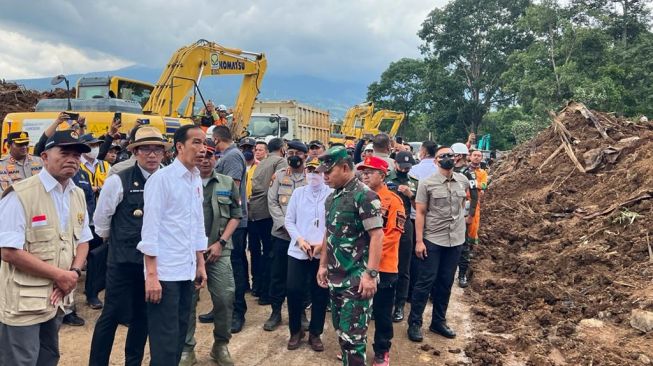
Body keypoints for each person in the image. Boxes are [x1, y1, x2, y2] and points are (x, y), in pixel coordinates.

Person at [0, 130, 92, 366]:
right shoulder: (20, 195)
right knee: (21, 361)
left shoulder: (77, 194)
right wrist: (61, 275)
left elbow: (83, 239)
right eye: (65, 153)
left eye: (77, 155)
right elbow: (9, 251)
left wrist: (74, 273)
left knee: (48, 357)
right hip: (24, 302)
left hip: (56, 298)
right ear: (44, 156)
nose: (72, 159)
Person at [88, 127, 169, 366]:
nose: (152, 155)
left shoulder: (167, 180)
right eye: (145, 149)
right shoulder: (118, 180)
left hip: (152, 262)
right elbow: (101, 221)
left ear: (164, 153)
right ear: (135, 151)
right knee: (110, 315)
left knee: (142, 315)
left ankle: (132, 362)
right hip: (123, 261)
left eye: (157, 149)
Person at [136, 125, 208, 366]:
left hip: (186, 271)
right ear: (179, 147)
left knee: (179, 336)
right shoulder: (161, 180)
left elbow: (197, 225)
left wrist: (200, 264)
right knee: (164, 342)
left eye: (204, 143)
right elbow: (150, 230)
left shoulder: (196, 179)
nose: (202, 149)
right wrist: (152, 276)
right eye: (196, 143)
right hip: (165, 273)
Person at [315, 146, 384, 366]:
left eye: (329, 172)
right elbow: (329, 233)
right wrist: (323, 265)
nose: (324, 177)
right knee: (342, 334)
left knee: (354, 340)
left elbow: (377, 236)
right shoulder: (333, 198)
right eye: (322, 172)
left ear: (345, 167)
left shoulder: (365, 196)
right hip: (336, 279)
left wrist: (371, 274)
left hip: (356, 281)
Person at [181, 140, 241, 366]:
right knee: (188, 300)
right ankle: (187, 348)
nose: (205, 160)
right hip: (187, 253)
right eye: (201, 155)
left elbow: (236, 214)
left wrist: (221, 243)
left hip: (219, 251)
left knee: (225, 297)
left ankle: (221, 345)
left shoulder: (226, 182)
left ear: (216, 158)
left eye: (210, 155)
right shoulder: (185, 182)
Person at [407, 146, 470, 342]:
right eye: (443, 156)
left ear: (456, 158)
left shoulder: (463, 181)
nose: (447, 159)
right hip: (433, 239)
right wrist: (419, 241)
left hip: (456, 240)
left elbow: (461, 206)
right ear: (436, 161)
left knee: (446, 282)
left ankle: (438, 322)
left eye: (450, 155)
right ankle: (415, 323)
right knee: (425, 281)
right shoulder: (427, 184)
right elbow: (420, 213)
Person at [358, 156, 405, 366]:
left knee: (382, 312)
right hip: (358, 265)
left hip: (384, 266)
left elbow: (392, 236)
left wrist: (369, 258)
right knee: (358, 310)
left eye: (370, 171)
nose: (365, 175)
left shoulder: (393, 201)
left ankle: (381, 351)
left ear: (383, 175)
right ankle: (355, 349)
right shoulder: (358, 197)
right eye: (363, 171)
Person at [284, 157, 331, 351]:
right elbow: (289, 221)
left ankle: (315, 333)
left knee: (320, 292)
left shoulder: (331, 194)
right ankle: (296, 331)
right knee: (294, 290)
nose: (313, 174)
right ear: (305, 172)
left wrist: (321, 244)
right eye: (310, 170)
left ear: (324, 173)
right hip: (299, 250)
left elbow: (332, 224)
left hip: (322, 251)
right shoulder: (298, 193)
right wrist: (300, 240)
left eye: (317, 171)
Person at [264, 140, 309, 331]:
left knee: (303, 278)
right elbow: (272, 201)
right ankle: (275, 313)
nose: (294, 156)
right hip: (282, 235)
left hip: (304, 239)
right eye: (290, 152)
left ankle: (301, 313)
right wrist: (284, 225)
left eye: (298, 153)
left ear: (306, 156)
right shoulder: (279, 176)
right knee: (277, 275)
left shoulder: (312, 177)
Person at [210, 126, 249, 334]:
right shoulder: (228, 155)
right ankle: (220, 308)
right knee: (219, 268)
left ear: (216, 139)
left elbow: (230, 188)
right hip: (221, 221)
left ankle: (237, 312)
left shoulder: (233, 156)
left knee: (234, 268)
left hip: (232, 222)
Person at [248, 138, 287, 308]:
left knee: (259, 253)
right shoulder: (280, 162)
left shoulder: (261, 164)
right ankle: (267, 293)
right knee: (271, 254)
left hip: (255, 212)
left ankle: (257, 287)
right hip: (268, 213)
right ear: (282, 149)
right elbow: (280, 188)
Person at [385, 151, 418, 322]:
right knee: (384, 264)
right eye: (401, 167)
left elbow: (419, 206)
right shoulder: (385, 178)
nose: (404, 170)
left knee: (403, 268)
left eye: (408, 167)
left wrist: (410, 195)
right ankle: (384, 303)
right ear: (395, 164)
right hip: (386, 225)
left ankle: (399, 305)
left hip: (405, 225)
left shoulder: (413, 183)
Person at [451, 143, 479, 289]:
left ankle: (462, 274)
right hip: (448, 213)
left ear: (460, 156)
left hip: (462, 213)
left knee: (464, 245)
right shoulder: (446, 170)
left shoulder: (468, 173)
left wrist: (471, 215)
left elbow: (475, 195)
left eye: (453, 155)